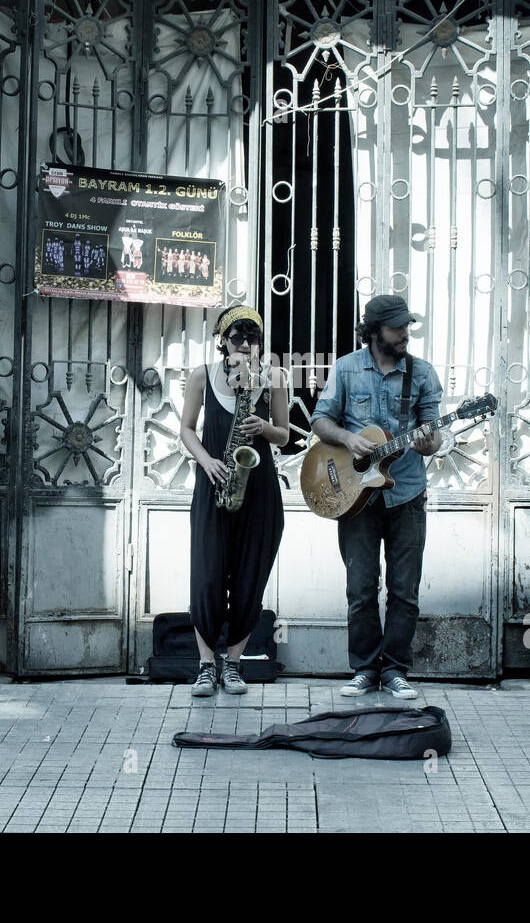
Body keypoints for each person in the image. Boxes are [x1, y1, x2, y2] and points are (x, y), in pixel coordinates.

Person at [310, 295, 443, 700]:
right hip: (355, 497)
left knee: (405, 590)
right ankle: (366, 669)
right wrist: (349, 438)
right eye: (397, 328)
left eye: (407, 327)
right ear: (373, 331)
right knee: (362, 589)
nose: (405, 334)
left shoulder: (421, 373)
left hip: (406, 495)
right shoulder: (347, 368)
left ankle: (396, 671)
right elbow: (320, 420)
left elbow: (434, 436)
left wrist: (426, 443)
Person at [179, 306, 287, 696]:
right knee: (207, 574)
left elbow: (285, 435)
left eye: (252, 338)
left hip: (259, 491)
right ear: (222, 341)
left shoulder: (274, 377)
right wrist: (206, 460)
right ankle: (206, 665)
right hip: (214, 483)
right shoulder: (201, 376)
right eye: (237, 337)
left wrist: (264, 427)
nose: (245, 344)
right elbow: (187, 430)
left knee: (249, 577)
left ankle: (235, 665)